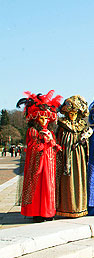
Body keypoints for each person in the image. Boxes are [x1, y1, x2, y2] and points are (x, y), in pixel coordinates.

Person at [16, 90, 62, 222]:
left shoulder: (51, 132)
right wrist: (43, 142)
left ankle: (48, 212)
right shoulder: (33, 131)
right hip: (37, 163)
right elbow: (32, 147)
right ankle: (37, 212)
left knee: (48, 186)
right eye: (41, 118)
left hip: (49, 163)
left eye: (46, 118)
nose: (44, 120)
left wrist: (52, 143)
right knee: (36, 187)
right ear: (35, 118)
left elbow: (55, 147)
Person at [55, 95, 92, 218]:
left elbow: (87, 142)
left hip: (79, 156)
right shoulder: (62, 125)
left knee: (80, 178)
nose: (72, 116)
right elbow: (58, 140)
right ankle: (67, 207)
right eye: (70, 113)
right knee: (68, 180)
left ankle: (80, 207)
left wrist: (83, 141)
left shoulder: (82, 126)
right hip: (67, 156)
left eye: (75, 113)